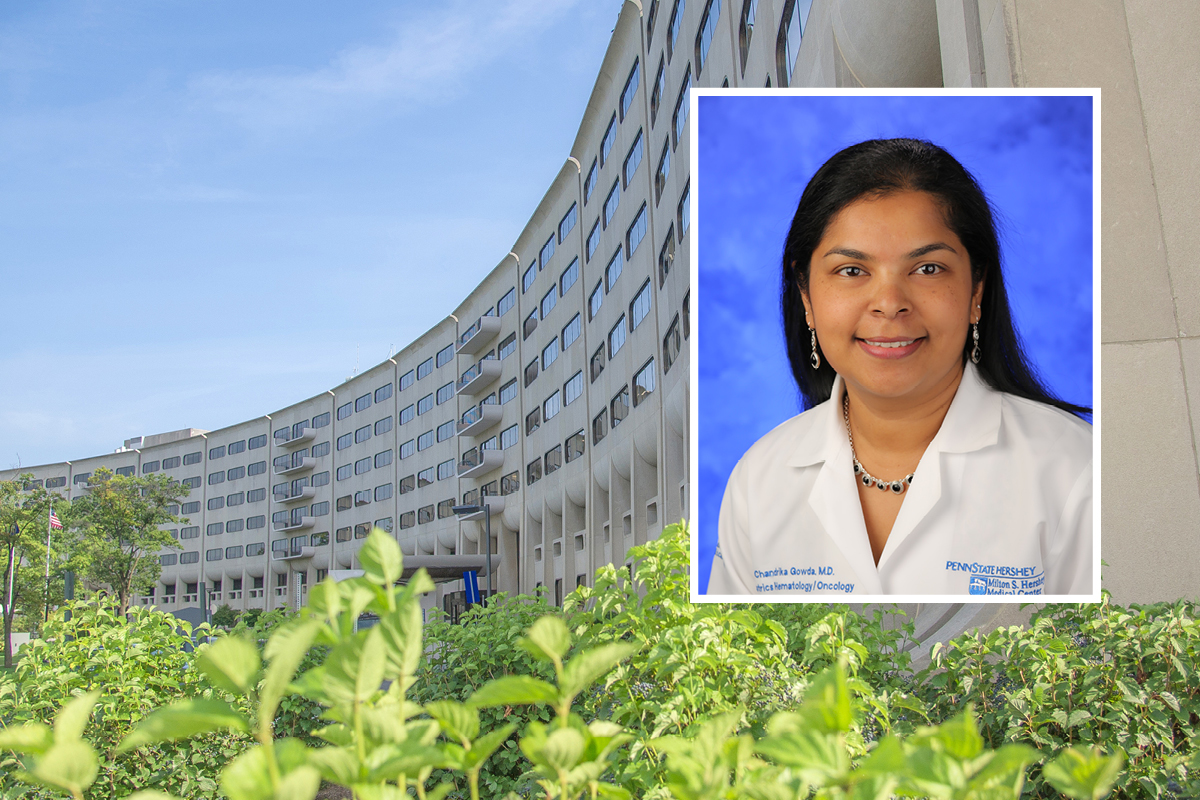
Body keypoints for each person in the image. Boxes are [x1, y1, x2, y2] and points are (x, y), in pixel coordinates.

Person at [707, 138, 1093, 598]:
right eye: (852, 271)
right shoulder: (759, 479)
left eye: (928, 269)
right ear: (807, 297)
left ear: (976, 290)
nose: (890, 305)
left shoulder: (1074, 468)